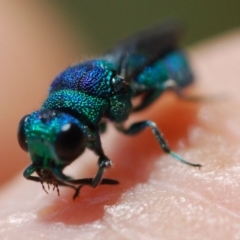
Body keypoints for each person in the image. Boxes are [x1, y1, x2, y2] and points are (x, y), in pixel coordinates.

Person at [1, 1, 240, 239]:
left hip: (168, 64)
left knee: (154, 109)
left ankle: (177, 136)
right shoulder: (72, 106)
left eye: (69, 140)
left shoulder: (103, 93)